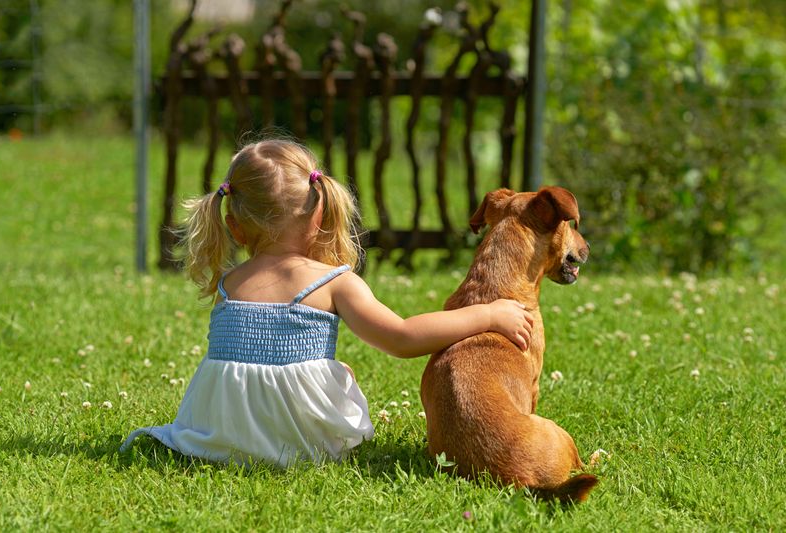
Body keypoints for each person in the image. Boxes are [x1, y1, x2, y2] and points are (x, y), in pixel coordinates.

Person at [120, 139, 534, 467]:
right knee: (339, 372)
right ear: (320, 213)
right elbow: (403, 338)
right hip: (304, 442)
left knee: (322, 367)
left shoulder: (230, 282)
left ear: (233, 226)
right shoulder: (334, 282)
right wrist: (487, 313)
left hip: (219, 431)